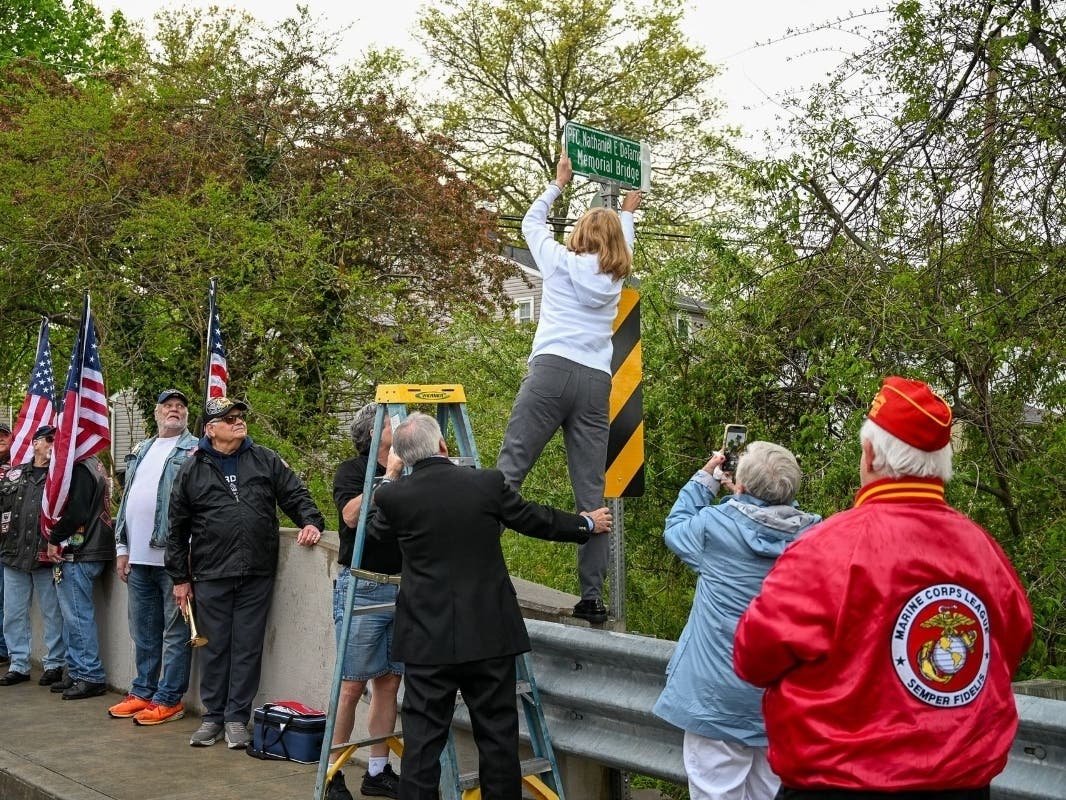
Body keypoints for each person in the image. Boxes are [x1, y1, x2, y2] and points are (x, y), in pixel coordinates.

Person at [734, 376, 1034, 799]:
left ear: (870, 454)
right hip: (961, 786)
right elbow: (1014, 643)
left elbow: (753, 657)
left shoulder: (824, 549)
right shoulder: (985, 552)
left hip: (837, 784)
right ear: (941, 465)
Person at [369, 412, 612, 800]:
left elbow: (375, 533)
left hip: (427, 640)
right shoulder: (485, 483)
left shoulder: (394, 496)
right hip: (488, 634)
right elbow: (535, 520)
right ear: (444, 446)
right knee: (497, 737)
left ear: (403, 456)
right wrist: (583, 525)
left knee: (422, 744)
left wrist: (391, 475)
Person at [496, 154, 642, 624]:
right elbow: (622, 245)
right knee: (591, 494)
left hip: (552, 372)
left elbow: (530, 222)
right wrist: (628, 215)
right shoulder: (616, 279)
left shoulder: (559, 262)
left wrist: (558, 184)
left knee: (509, 472)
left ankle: (476, 562)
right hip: (595, 383)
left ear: (578, 236)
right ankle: (592, 597)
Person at [653, 442, 821, 800]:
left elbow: (677, 527)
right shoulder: (815, 540)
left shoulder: (715, 527)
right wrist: (744, 500)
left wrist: (706, 478)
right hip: (782, 700)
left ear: (742, 485)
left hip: (717, 699)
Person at [166, 395, 325, 750]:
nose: (239, 421)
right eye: (229, 418)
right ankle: (212, 718)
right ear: (211, 429)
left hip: (256, 570)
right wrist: (180, 578)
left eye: (239, 415)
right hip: (210, 573)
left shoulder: (264, 458)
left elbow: (295, 495)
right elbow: (175, 530)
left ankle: (237, 719)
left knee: (248, 648)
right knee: (215, 648)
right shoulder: (192, 468)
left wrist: (311, 521)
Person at [108, 389, 197, 725]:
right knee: (143, 631)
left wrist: (188, 556)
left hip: (173, 562)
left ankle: (169, 698)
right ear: (157, 412)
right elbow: (128, 499)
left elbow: (197, 507)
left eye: (180, 406)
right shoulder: (141, 449)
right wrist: (122, 549)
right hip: (139, 560)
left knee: (175, 634)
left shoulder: (195, 449)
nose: (174, 410)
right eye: (168, 406)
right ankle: (142, 691)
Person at [327, 403, 403, 800]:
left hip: (402, 588)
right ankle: (333, 773)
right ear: (373, 433)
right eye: (393, 421)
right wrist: (387, 478)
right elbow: (351, 516)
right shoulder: (352, 471)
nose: (401, 425)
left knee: (389, 682)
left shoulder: (411, 467)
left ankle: (378, 770)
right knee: (352, 686)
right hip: (364, 587)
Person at [45, 439, 116, 700]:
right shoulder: (93, 463)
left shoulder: (80, 466)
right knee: (72, 615)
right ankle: (76, 671)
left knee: (76, 615)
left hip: (82, 550)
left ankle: (90, 675)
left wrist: (54, 538)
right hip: (89, 549)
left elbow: (77, 512)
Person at [0, 425, 66, 688]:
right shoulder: (14, 474)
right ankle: (18, 664)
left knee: (53, 613)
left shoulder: (60, 477)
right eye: (48, 439)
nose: (52, 443)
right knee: (13, 614)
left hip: (45, 556)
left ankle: (54, 664)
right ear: (36, 443)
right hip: (13, 554)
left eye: (56, 440)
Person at [0, 420, 12, 666]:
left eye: (4, 435)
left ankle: (4, 649)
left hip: (8, 543)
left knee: (5, 600)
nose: (0, 439)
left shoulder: (19, 466)